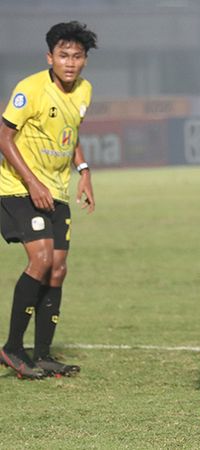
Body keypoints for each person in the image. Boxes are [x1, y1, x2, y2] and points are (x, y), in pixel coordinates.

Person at [0, 21, 97, 379]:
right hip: (19, 189)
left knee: (58, 269)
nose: (70, 63)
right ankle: (12, 348)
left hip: (57, 191)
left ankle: (42, 354)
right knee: (40, 260)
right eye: (63, 55)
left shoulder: (85, 91)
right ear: (50, 57)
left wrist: (83, 170)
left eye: (77, 56)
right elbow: (5, 137)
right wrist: (32, 183)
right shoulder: (31, 89)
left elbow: (71, 135)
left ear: (84, 60)